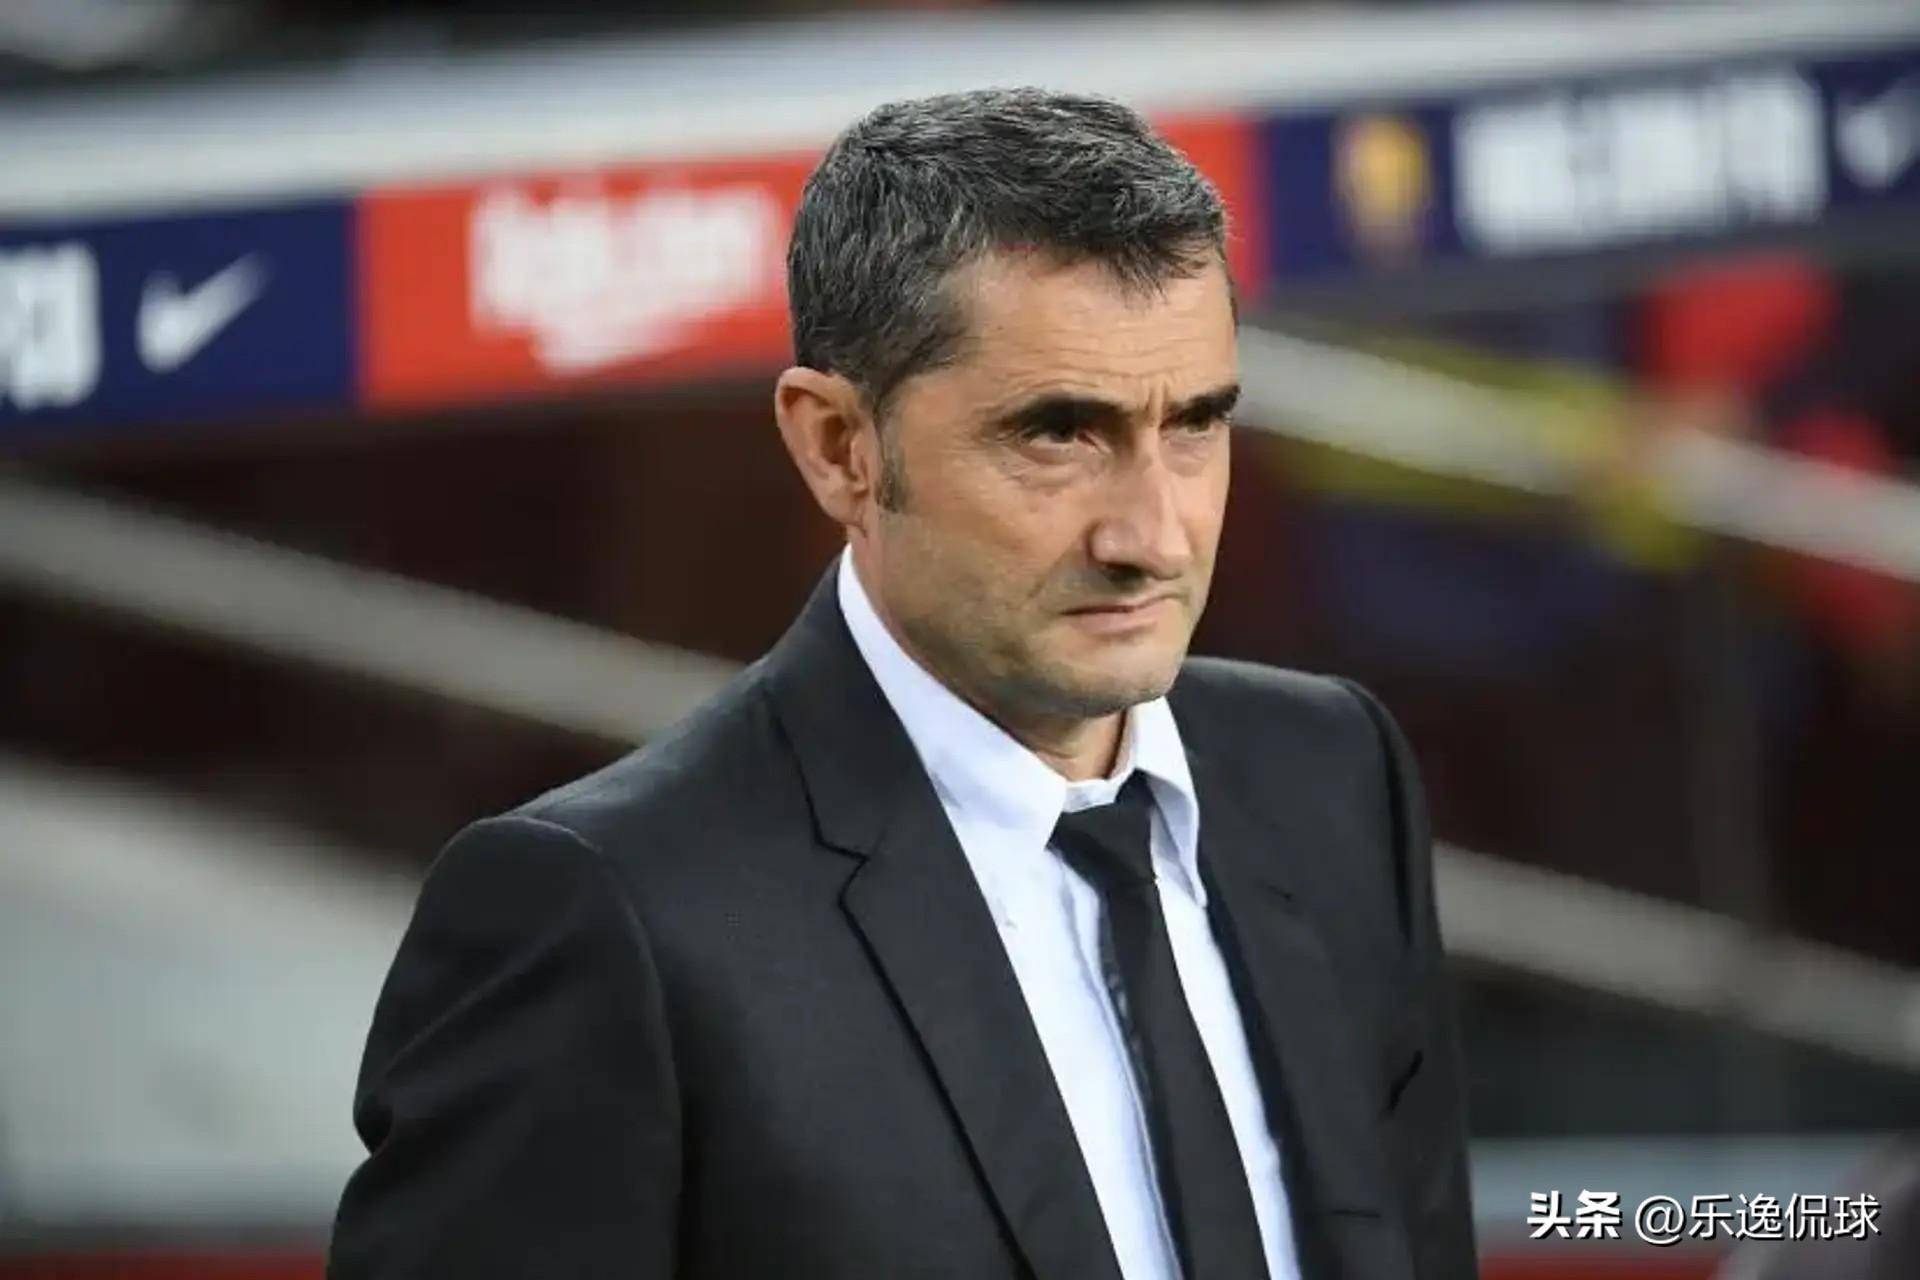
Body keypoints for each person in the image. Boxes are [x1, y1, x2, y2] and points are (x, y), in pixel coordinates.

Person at [327, 88, 1477, 1280]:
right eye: (1059, 433)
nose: (1154, 535)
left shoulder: (1331, 773)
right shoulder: (605, 913)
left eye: (1195, 424)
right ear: (839, 447)